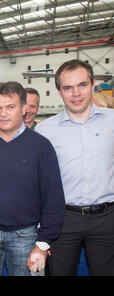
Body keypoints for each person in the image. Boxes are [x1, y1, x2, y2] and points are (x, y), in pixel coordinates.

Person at [0, 81, 65, 276]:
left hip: (26, 236)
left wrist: (43, 243)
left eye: (10, 107)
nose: (3, 113)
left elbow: (54, 197)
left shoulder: (41, 146)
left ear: (24, 108)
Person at [35, 59, 114, 276]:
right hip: (63, 219)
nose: (76, 93)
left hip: (107, 218)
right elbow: (39, 182)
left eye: (82, 85)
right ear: (59, 91)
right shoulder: (45, 131)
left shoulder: (112, 122)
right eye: (68, 88)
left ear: (93, 84)